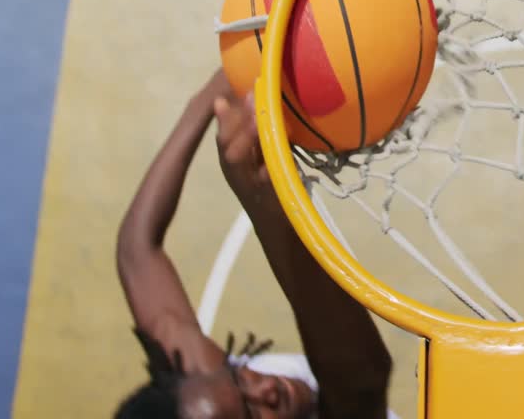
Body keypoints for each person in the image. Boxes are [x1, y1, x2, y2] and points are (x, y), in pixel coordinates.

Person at [114, 69, 395, 419]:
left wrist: (213, 94)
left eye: (238, 377)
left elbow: (136, 250)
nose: (265, 389)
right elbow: (364, 381)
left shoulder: (205, 388)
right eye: (252, 415)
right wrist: (266, 206)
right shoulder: (350, 395)